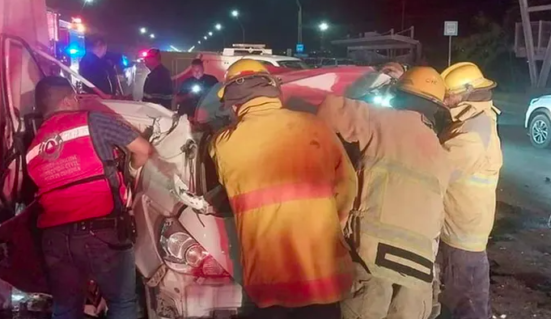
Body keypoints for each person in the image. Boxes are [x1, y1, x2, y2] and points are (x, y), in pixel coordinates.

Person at [209, 60, 355, 319]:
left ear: (233, 104)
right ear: (273, 90)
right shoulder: (316, 127)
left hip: (269, 281)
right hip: (322, 276)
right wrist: (331, 225)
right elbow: (347, 186)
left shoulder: (222, 144)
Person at [317, 66, 452, 319]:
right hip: (419, 271)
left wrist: (371, 83)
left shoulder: (379, 120)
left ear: (398, 95)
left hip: (373, 259)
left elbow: (328, 109)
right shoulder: (442, 154)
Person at [26, 76, 153, 319]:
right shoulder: (91, 120)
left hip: (55, 240)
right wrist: (133, 174)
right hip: (102, 233)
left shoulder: (33, 148)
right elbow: (144, 150)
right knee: (122, 303)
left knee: (65, 308)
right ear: (70, 99)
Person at [437, 62, 503, 319]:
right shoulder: (473, 119)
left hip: (461, 236)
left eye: (449, 94)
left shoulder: (471, 133)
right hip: (464, 230)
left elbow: (436, 171)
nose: (445, 99)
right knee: (468, 300)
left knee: (466, 305)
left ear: (467, 91)